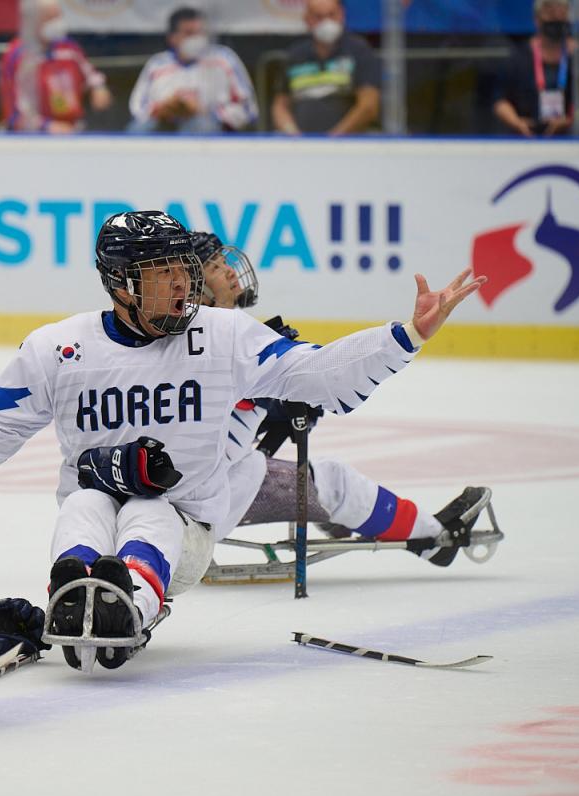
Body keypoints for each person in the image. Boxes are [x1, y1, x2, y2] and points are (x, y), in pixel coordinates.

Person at [0, 210, 485, 672]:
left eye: (185, 271)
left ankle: (126, 606)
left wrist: (404, 336)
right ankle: (77, 595)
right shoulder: (59, 348)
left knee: (157, 510)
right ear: (121, 283)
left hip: (189, 516)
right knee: (87, 504)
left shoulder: (225, 336)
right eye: (164, 274)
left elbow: (316, 374)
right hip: (101, 506)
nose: (183, 286)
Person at [191, 233, 492, 568]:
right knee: (333, 482)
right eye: (215, 267)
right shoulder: (222, 343)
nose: (231, 271)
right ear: (198, 289)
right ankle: (435, 540)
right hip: (205, 499)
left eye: (225, 261)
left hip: (195, 491)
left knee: (315, 477)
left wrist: (272, 406)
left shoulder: (197, 336)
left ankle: (354, 515)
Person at [128, 7, 258, 134]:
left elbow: (248, 110)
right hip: (163, 126)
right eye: (189, 33)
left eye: (200, 32)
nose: (197, 38)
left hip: (212, 131)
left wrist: (205, 111)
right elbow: (137, 108)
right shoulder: (157, 64)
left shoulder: (224, 59)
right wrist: (161, 110)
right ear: (172, 38)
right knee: (138, 130)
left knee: (200, 125)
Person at [0, 0, 112, 133]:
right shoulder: (17, 56)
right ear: (33, 21)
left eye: (58, 17)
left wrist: (98, 88)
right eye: (51, 19)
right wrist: (47, 126)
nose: (57, 24)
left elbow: (91, 75)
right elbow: (15, 114)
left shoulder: (68, 47)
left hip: (73, 130)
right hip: (31, 136)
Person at [272, 0, 382, 136]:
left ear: (342, 14)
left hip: (349, 144)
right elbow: (280, 105)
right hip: (302, 145)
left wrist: (333, 138)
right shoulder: (295, 55)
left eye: (332, 15)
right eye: (319, 17)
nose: (326, 22)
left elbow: (368, 106)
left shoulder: (359, 51)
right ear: (307, 19)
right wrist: (293, 135)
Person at [494, 0, 577, 138]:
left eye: (562, 13)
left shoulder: (577, 58)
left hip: (570, 139)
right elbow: (500, 100)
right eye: (550, 12)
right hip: (526, 137)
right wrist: (516, 123)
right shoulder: (519, 57)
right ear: (537, 20)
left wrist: (569, 120)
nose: (556, 18)